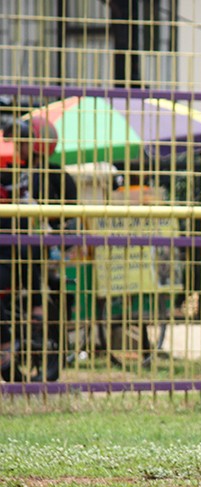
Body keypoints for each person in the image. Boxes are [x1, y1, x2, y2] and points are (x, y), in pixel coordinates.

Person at [0, 115, 77, 381]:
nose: (17, 146)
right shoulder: (11, 172)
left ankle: (33, 327)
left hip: (38, 250)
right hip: (11, 248)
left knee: (29, 262)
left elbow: (68, 221)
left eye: (22, 141)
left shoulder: (53, 175)